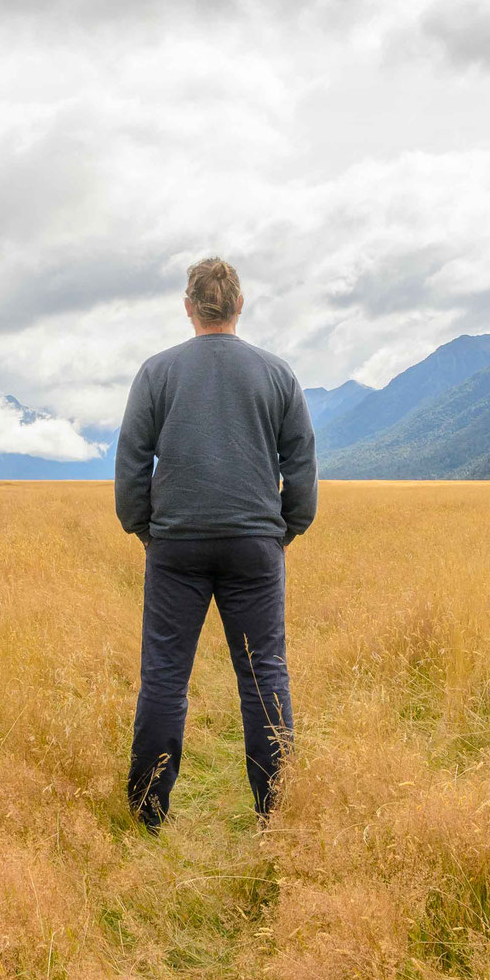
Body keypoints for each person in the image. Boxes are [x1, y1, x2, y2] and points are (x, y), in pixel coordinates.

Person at [114, 257, 318, 830]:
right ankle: (273, 814)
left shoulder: (157, 373)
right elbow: (300, 465)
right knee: (264, 676)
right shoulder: (278, 375)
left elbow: (131, 462)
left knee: (164, 676)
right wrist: (284, 531)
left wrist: (148, 531)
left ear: (188, 307)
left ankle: (148, 815)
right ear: (239, 305)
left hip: (176, 547)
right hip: (255, 544)